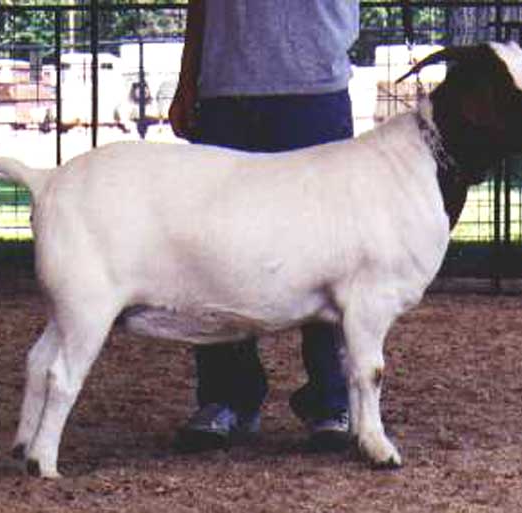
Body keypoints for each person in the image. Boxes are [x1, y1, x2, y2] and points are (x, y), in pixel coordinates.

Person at [169, 0, 360, 452]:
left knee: (327, 247)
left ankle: (331, 399)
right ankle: (226, 398)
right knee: (217, 251)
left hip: (315, 89)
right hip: (226, 91)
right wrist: (187, 78)